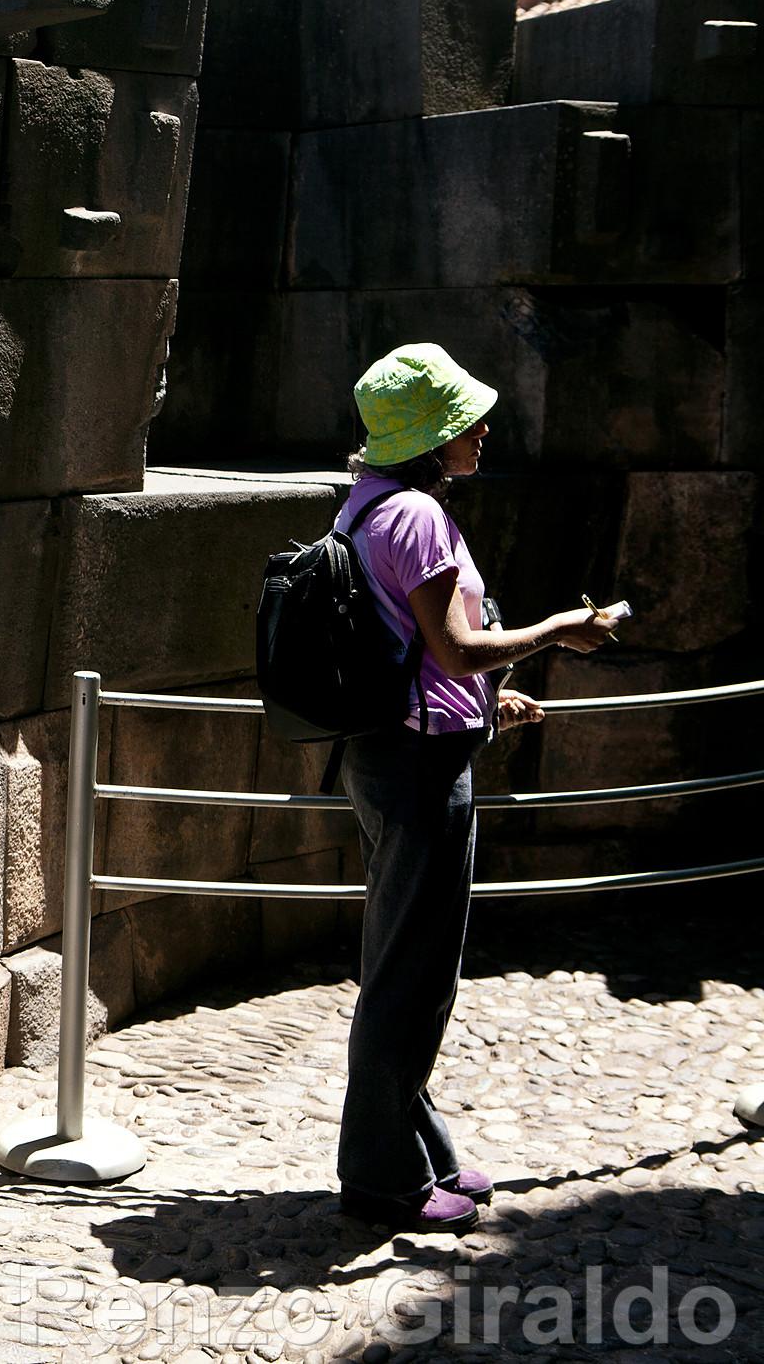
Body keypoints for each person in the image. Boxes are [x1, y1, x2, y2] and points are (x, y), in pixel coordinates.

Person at [334, 343, 617, 1233]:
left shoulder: (368, 502)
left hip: (392, 753)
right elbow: (454, 645)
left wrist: (491, 702)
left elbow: (416, 651)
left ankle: (420, 1153)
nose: (483, 430)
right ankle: (383, 1178)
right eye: (465, 420)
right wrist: (558, 630)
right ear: (430, 436)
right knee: (411, 975)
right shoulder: (415, 515)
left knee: (409, 964)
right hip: (419, 771)